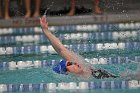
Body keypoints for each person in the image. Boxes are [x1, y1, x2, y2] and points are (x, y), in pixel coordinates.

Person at [40, 16, 118, 79]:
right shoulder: (80, 81)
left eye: (71, 61)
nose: (75, 63)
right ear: (66, 72)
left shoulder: (86, 69)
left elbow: (61, 49)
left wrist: (46, 31)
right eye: (70, 63)